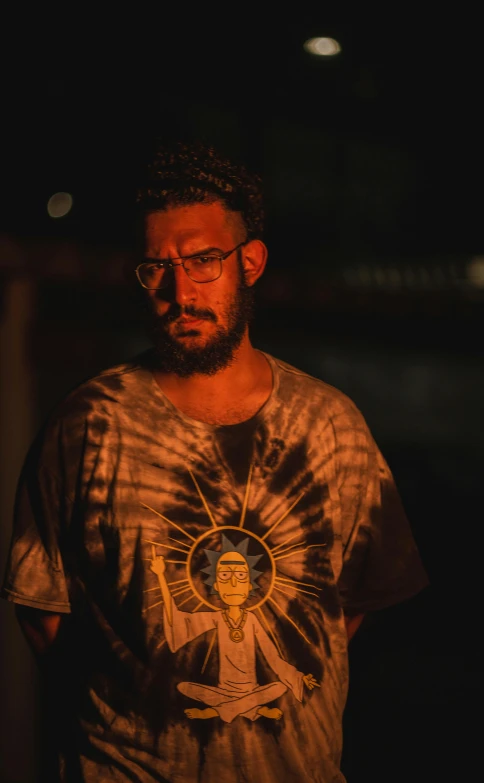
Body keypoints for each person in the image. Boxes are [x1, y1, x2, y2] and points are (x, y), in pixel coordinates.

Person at [1, 139, 429, 782]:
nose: (179, 290)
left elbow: (351, 603)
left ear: (249, 262)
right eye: (157, 268)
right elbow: (41, 608)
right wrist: (138, 713)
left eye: (203, 261)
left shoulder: (331, 425)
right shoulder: (90, 423)